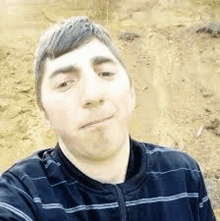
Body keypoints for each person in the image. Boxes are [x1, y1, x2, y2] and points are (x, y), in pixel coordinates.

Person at [0, 16, 216, 221]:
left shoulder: (182, 174)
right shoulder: (21, 195)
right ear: (44, 113)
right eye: (64, 83)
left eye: (105, 73)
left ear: (132, 91)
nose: (93, 96)